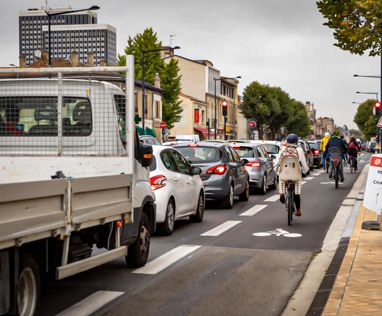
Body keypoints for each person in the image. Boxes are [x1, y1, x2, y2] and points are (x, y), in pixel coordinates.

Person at [278, 133, 309, 217]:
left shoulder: (283, 149)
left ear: (287, 141)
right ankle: (298, 210)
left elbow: (277, 161)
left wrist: (276, 171)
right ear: (296, 141)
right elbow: (303, 163)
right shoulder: (299, 150)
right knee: (297, 193)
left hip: (284, 174)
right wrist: (306, 171)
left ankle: (281, 194)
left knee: (281, 177)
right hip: (295, 175)